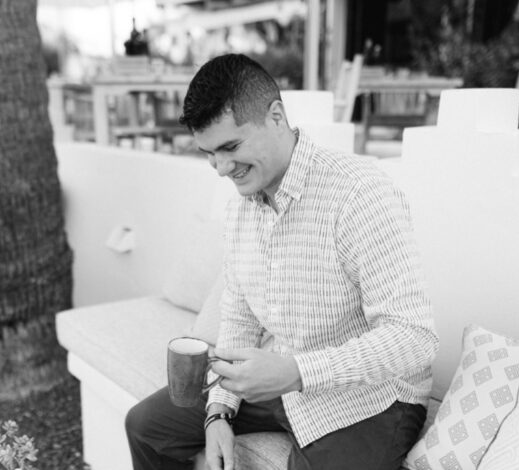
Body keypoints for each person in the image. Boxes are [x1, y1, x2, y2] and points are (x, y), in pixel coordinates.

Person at [124, 54, 439, 470]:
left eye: (230, 147)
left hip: (371, 399)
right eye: (208, 154)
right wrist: (219, 411)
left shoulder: (359, 193)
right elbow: (238, 317)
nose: (220, 168)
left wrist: (295, 372)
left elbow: (415, 337)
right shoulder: (240, 211)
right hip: (279, 381)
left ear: (276, 116)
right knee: (146, 426)